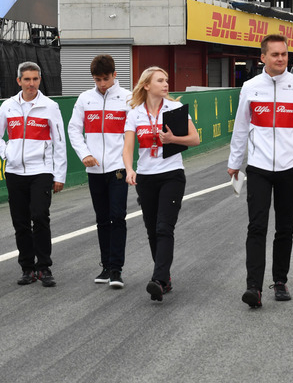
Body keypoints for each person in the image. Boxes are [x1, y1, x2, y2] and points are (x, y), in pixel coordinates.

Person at [227, 34, 293, 308]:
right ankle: (253, 287)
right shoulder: (250, 87)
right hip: (258, 168)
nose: (281, 58)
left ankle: (280, 281)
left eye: (284, 54)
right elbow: (241, 126)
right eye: (275, 54)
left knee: (284, 228)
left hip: (291, 168)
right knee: (257, 226)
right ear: (263, 57)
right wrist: (234, 162)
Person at [123, 66, 199, 302]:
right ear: (146, 85)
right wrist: (129, 170)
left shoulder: (175, 109)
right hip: (146, 177)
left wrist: (172, 139)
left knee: (164, 227)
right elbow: (127, 148)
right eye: (160, 80)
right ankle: (164, 279)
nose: (166, 84)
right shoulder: (135, 113)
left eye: (166, 80)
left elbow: (195, 139)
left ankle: (158, 279)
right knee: (152, 229)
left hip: (171, 174)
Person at [0, 62, 67, 288]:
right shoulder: (8, 106)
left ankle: (44, 267)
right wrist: (8, 153)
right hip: (14, 172)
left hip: (41, 171)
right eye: (27, 80)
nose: (31, 84)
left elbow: (60, 142)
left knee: (40, 216)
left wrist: (58, 175)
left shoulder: (50, 106)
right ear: (19, 81)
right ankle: (27, 268)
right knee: (20, 222)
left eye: (35, 79)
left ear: (40, 80)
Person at [67, 55, 131, 288]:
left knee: (118, 216)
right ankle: (105, 267)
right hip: (94, 170)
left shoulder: (128, 98)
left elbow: (133, 133)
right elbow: (74, 129)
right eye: (97, 79)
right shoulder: (85, 98)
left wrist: (129, 163)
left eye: (105, 78)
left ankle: (116, 269)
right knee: (102, 219)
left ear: (115, 75)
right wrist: (84, 154)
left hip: (118, 169)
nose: (102, 83)